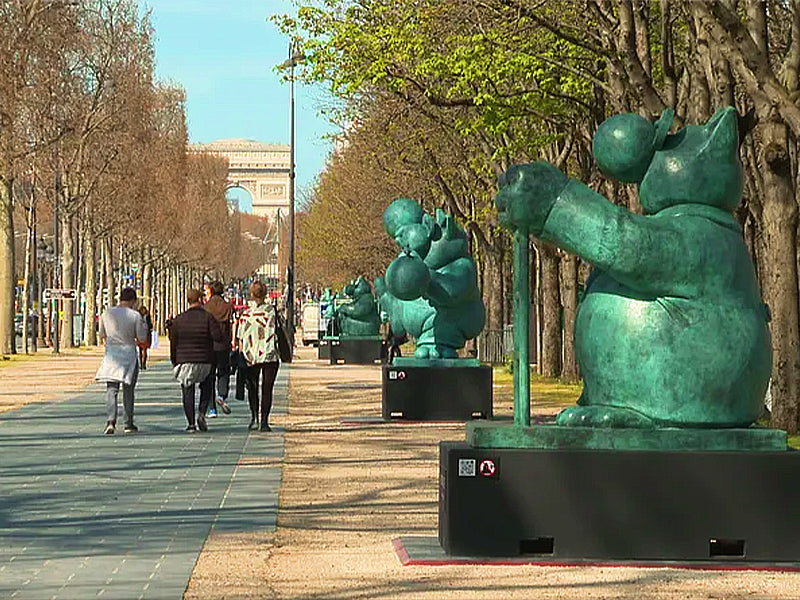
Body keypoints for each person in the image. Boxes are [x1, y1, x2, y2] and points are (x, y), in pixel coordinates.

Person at [169, 288, 224, 432]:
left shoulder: (178, 320)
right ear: (200, 300)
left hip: (185, 359)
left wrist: (174, 360)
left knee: (187, 390)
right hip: (205, 359)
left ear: (188, 301)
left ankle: (191, 423)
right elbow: (217, 337)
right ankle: (201, 413)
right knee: (207, 385)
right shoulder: (208, 317)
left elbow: (173, 342)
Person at [95, 287, 149, 435]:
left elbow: (101, 334)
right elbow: (142, 338)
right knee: (128, 390)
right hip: (129, 353)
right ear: (133, 300)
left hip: (112, 354)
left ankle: (110, 421)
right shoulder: (135, 316)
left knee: (111, 389)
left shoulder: (107, 313)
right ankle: (128, 422)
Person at [235, 281, 280, 432]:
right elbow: (274, 331)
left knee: (252, 387)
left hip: (251, 355)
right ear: (266, 293)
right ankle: (264, 421)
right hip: (269, 354)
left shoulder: (246, 314)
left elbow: (240, 336)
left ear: (252, 294)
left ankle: (254, 416)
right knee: (267, 389)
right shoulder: (271, 311)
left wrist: (242, 351)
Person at [203, 281, 233, 418]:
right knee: (224, 371)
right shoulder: (227, 307)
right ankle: (222, 395)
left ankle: (212, 409)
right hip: (224, 345)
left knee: (209, 376)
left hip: (209, 346)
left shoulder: (206, 308)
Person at [137, 303, 153, 370]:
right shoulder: (138, 317)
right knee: (140, 350)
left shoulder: (147, 316)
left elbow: (150, 324)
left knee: (145, 350)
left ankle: (144, 364)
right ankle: (141, 363)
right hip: (140, 333)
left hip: (146, 334)